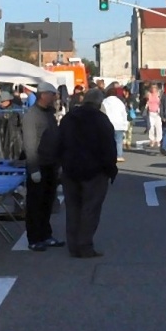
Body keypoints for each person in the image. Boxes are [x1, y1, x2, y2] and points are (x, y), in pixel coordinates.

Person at [57, 88, 118, 258]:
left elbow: (59, 141)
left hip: (70, 169)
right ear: (99, 103)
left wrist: (60, 164)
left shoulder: (69, 118)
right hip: (94, 170)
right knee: (90, 208)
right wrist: (110, 169)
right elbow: (109, 148)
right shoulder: (101, 120)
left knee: (73, 207)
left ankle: (73, 245)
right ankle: (84, 245)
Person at [20, 85, 64, 251]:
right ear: (44, 95)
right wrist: (33, 168)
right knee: (35, 204)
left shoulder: (49, 114)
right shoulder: (32, 115)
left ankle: (46, 234)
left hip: (51, 164)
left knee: (47, 203)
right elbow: (30, 144)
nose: (54, 97)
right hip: (39, 164)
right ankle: (34, 237)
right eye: (52, 94)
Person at [100, 85, 130, 162]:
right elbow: (124, 113)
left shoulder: (104, 101)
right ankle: (119, 155)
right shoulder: (120, 102)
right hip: (119, 124)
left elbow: (102, 112)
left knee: (108, 141)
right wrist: (125, 123)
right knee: (119, 140)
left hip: (108, 123)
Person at [145, 85, 163, 150]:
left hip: (157, 113)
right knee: (151, 127)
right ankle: (152, 139)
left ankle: (158, 140)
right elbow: (146, 101)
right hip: (151, 112)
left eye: (155, 88)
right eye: (152, 88)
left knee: (158, 127)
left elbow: (161, 103)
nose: (153, 89)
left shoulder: (159, 94)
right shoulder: (148, 94)